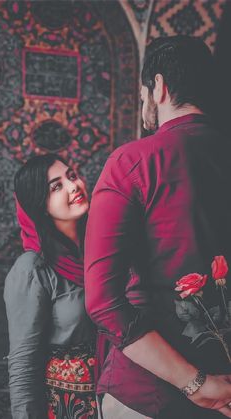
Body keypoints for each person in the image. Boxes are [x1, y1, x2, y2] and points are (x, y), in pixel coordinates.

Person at [84, 35, 231, 419]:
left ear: (159, 87)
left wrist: (196, 383)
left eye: (144, 92)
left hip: (147, 395)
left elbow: (102, 300)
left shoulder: (132, 161)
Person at [4, 154, 98, 419]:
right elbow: (23, 366)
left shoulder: (104, 252)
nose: (74, 186)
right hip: (65, 408)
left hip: (120, 400)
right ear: (40, 205)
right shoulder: (32, 269)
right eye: (56, 186)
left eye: (72, 176)